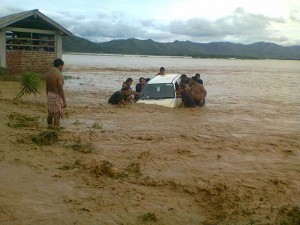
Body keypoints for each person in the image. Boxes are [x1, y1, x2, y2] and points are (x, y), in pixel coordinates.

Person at [45, 58, 67, 126]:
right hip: (55, 96)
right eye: (62, 66)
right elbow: (61, 89)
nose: (62, 68)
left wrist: (47, 95)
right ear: (60, 65)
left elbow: (47, 87)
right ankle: (56, 130)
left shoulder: (48, 73)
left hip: (49, 95)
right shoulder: (59, 75)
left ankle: (49, 127)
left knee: (50, 114)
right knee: (57, 115)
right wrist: (64, 101)